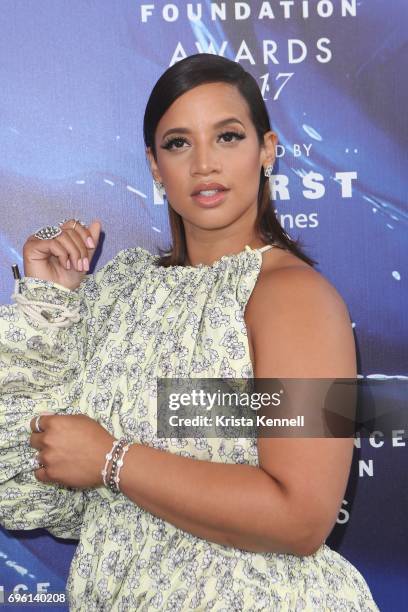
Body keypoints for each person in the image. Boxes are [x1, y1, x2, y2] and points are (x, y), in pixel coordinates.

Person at [0, 54, 379, 611]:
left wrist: (114, 461)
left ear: (267, 149)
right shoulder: (120, 290)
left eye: (227, 136)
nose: (205, 163)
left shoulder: (296, 298)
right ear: (155, 166)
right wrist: (48, 305)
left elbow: (302, 516)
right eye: (179, 143)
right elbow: (24, 487)